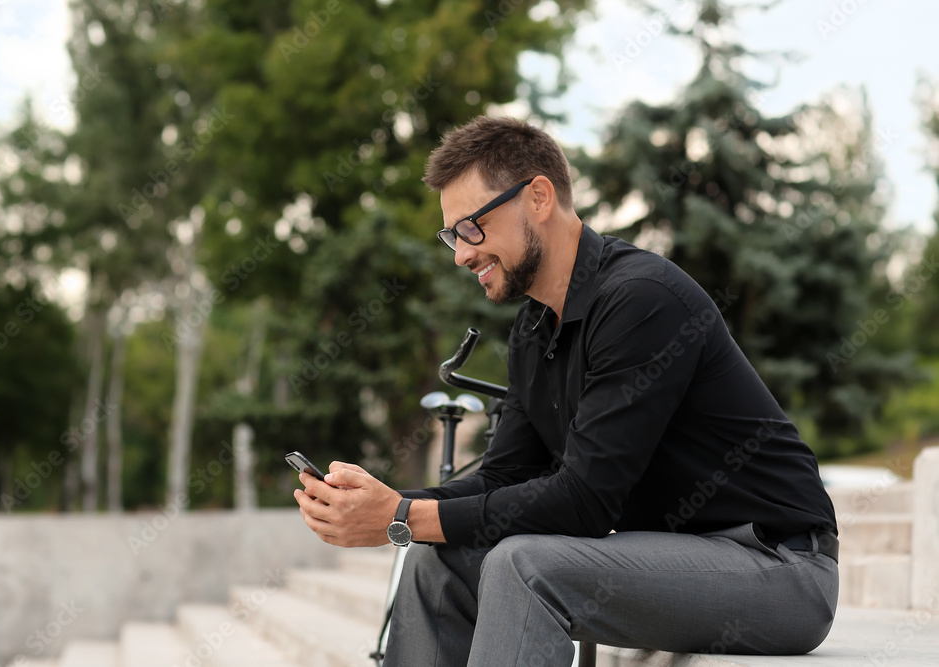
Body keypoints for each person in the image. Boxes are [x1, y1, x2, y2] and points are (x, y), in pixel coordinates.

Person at [292, 116, 839, 666]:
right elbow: (503, 478)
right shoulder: (534, 331)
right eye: (451, 235)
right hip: (676, 558)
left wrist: (402, 519)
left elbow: (585, 501)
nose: (461, 254)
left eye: (471, 227)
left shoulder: (640, 300)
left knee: (522, 565)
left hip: (777, 568)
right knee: (436, 562)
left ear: (538, 197)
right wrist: (386, 504)